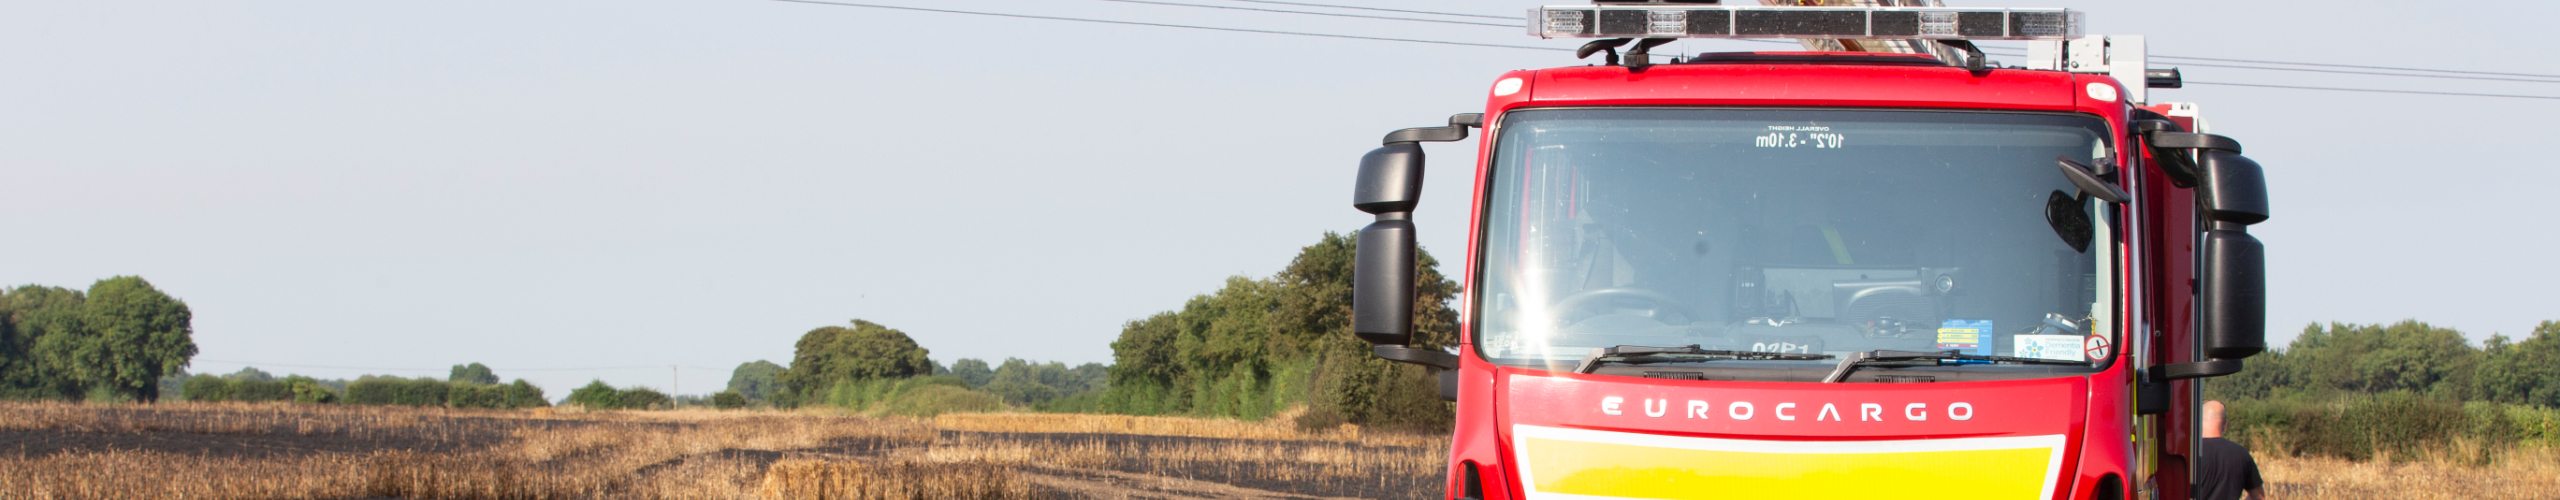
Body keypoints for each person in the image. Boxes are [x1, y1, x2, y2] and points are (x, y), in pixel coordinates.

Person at [2196, 400, 2267, 500]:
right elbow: (2259, 497)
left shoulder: (2190, 454)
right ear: (2225, 424)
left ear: (2199, 422)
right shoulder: (2241, 454)